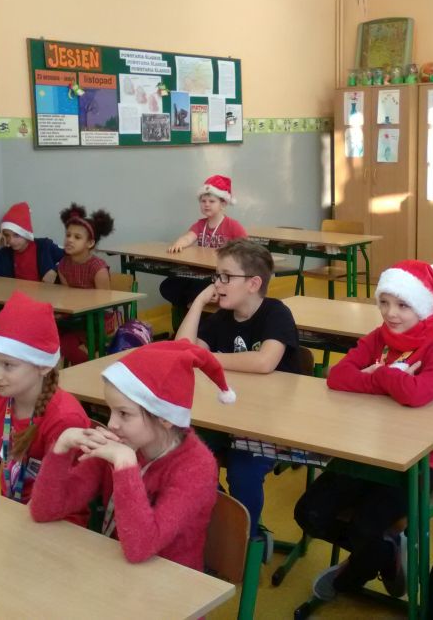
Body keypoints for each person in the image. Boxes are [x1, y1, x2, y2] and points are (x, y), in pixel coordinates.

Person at [294, 260, 433, 602]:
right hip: (361, 452)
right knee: (308, 513)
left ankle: (352, 575)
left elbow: (417, 394)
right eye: (384, 302)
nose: (390, 313)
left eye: (403, 305)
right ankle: (385, 554)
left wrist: (377, 374)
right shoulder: (376, 339)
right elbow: (337, 378)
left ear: (424, 308)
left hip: (411, 467)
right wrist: (393, 378)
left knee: (364, 527)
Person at [30, 341, 227, 570]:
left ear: (165, 418)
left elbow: (140, 547)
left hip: (170, 580)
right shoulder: (122, 442)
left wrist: (125, 465)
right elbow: (44, 510)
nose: (112, 424)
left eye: (124, 413)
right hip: (118, 567)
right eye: (110, 410)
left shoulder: (196, 467)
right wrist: (61, 448)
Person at [175, 239, 299, 546]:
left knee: (243, 474)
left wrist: (208, 359)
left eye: (226, 276)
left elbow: (264, 361)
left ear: (253, 284)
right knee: (182, 454)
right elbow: (183, 351)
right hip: (225, 419)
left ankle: (247, 540)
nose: (217, 283)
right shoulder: (221, 318)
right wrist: (199, 302)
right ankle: (222, 526)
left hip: (268, 424)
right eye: (216, 276)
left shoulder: (276, 313)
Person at [0, 291, 90, 524]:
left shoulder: (64, 418)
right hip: (11, 515)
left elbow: (54, 500)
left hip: (57, 524)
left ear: (43, 366)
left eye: (8, 365)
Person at [160, 175, 247, 310]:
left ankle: (197, 308)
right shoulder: (200, 224)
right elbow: (188, 237)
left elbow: (246, 248)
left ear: (223, 204)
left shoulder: (232, 225)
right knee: (168, 286)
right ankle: (192, 307)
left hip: (219, 275)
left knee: (196, 289)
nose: (206, 204)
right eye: (203, 201)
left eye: (212, 201)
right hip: (199, 272)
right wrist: (179, 244)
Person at [57, 203, 115, 364]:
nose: (69, 240)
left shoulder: (98, 268)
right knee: (45, 334)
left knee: (66, 345)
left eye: (77, 237)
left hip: (97, 321)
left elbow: (105, 303)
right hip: (74, 318)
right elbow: (66, 295)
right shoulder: (63, 265)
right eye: (68, 235)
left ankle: (88, 370)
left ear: (90, 243)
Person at [0, 202, 63, 282]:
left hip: (42, 290)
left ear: (26, 233)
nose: (11, 241)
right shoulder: (5, 254)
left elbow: (68, 257)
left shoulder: (44, 246)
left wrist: (55, 270)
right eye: (7, 235)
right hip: (16, 290)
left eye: (16, 235)